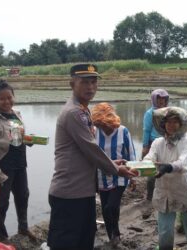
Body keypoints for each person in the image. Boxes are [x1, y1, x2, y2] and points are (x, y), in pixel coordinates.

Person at [47, 64, 136, 250]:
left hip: (82, 192)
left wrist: (112, 162)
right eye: (84, 82)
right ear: (72, 83)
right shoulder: (74, 112)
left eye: (94, 82)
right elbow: (91, 149)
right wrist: (115, 169)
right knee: (67, 244)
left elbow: (89, 151)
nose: (90, 87)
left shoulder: (83, 110)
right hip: (70, 193)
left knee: (84, 240)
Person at [0, 79, 36, 244]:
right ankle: (1, 235)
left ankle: (23, 227)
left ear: (13, 96)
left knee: (23, 195)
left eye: (9, 97)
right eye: (2, 98)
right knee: (1, 202)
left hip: (19, 163)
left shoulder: (16, 113)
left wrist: (28, 139)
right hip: (2, 166)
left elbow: (17, 138)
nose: (7, 101)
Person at [143, 106, 187, 250]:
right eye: (168, 122)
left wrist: (167, 167)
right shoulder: (158, 143)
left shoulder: (186, 143)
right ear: (163, 125)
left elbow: (182, 163)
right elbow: (149, 157)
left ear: (181, 125)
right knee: (165, 231)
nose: (171, 125)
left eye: (175, 122)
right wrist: (143, 165)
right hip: (164, 192)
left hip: (183, 190)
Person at [91, 102, 136, 246]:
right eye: (102, 126)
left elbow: (131, 153)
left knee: (111, 206)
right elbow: (92, 156)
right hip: (102, 177)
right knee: (106, 209)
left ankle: (115, 234)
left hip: (120, 176)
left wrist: (133, 176)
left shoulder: (123, 131)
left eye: (107, 125)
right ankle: (113, 236)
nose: (105, 128)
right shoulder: (95, 132)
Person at [142, 89, 169, 205]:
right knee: (152, 171)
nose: (161, 101)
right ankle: (149, 196)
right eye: (159, 99)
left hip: (168, 143)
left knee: (167, 169)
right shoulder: (150, 113)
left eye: (163, 99)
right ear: (154, 100)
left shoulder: (169, 112)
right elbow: (146, 131)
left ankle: (165, 193)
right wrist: (145, 147)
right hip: (153, 143)